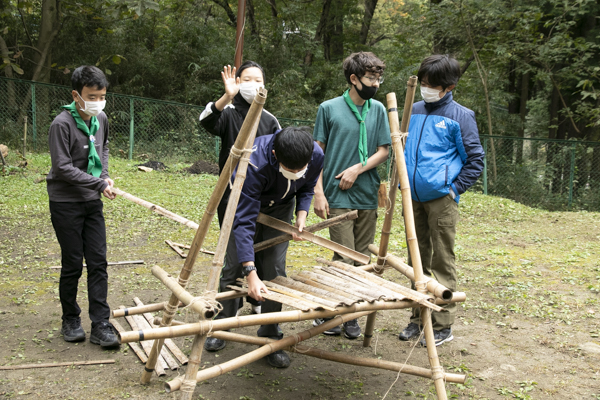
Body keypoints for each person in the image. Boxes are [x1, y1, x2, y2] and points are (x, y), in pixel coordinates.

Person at [203, 127, 324, 368]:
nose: (297, 173)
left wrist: (301, 214)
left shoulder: (316, 154)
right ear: (275, 154)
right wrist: (250, 272)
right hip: (247, 204)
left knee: (275, 271)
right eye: (291, 170)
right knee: (233, 265)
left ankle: (270, 334)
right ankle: (222, 324)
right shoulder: (253, 164)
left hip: (281, 208)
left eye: (301, 168)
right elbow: (244, 222)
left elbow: (307, 187)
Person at [398, 54, 484, 347]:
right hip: (412, 198)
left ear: (449, 87)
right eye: (423, 82)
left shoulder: (461, 116)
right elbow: (403, 148)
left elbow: (475, 159)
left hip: (441, 200)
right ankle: (416, 318)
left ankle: (443, 324)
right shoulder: (413, 108)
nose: (426, 88)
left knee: (442, 259)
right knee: (415, 259)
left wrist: (454, 188)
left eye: (432, 84)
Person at [312, 52, 391, 340]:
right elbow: (316, 153)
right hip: (336, 195)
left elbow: (384, 150)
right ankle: (335, 312)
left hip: (368, 194)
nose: (376, 84)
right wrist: (318, 192)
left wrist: (357, 169)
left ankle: (353, 315)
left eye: (379, 78)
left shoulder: (379, 109)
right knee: (344, 257)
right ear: (354, 79)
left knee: (362, 259)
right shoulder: (329, 109)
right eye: (371, 78)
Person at [46, 65, 119, 348]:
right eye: (92, 95)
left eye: (102, 95)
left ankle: (101, 322)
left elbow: (104, 149)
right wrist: (97, 183)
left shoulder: (100, 117)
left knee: (99, 262)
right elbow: (62, 168)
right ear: (76, 95)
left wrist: (104, 176)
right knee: (73, 263)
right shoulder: (61, 124)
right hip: (65, 203)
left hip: (91, 202)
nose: (98, 101)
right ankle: (70, 318)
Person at [200, 61, 280, 315]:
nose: (253, 85)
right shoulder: (229, 112)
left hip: (263, 197)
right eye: (247, 79)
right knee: (232, 252)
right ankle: (227, 309)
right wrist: (227, 95)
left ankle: (258, 301)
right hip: (231, 195)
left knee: (262, 248)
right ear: (237, 82)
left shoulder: (269, 120)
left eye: (258, 80)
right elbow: (206, 121)